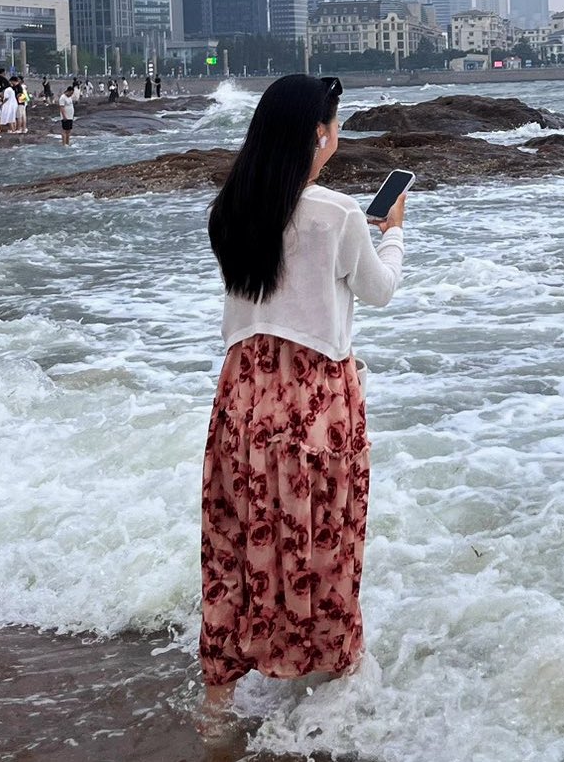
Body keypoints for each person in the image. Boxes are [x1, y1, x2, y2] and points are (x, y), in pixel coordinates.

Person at [198, 75, 407, 714]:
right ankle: (336, 691)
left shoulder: (230, 206)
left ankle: (217, 704)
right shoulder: (339, 214)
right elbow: (379, 290)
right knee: (326, 537)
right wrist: (393, 231)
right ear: (319, 134)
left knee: (235, 541)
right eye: (335, 125)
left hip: (242, 396)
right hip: (314, 398)